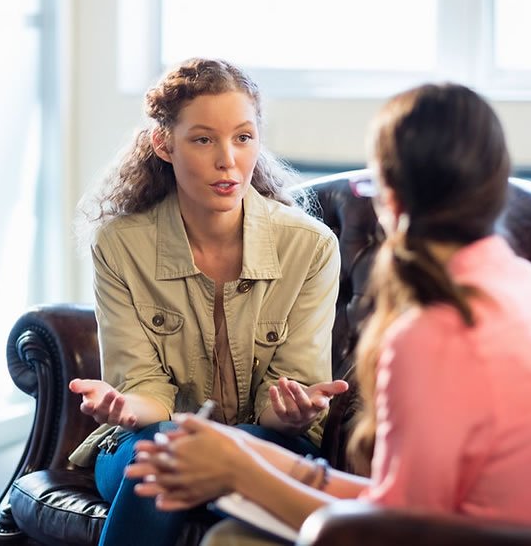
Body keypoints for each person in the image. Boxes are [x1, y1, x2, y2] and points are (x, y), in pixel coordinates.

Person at [126, 82, 531, 543]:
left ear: (391, 198)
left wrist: (239, 472)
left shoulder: (433, 334)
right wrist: (248, 453)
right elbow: (402, 503)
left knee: (230, 540)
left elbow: (391, 531)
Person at [68, 58, 348, 546]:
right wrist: (126, 406)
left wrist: (292, 412)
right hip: (146, 439)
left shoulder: (311, 246)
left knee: (211, 454)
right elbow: (144, 387)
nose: (228, 160)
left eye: (243, 137)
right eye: (203, 140)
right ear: (164, 144)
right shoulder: (118, 244)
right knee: (163, 452)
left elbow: (286, 396)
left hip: (265, 441)